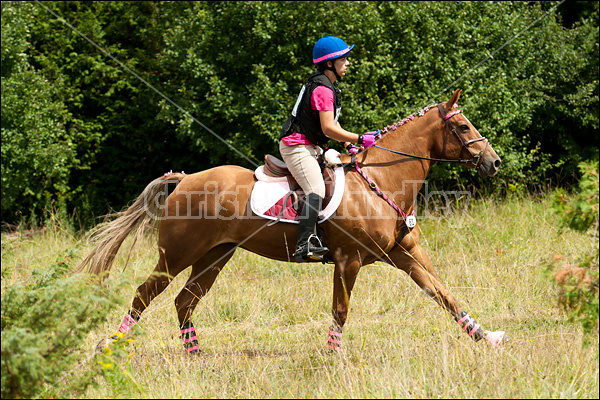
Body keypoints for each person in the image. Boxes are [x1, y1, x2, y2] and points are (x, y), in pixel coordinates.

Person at [279, 35, 377, 262]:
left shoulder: (329, 85)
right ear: (329, 63)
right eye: (344, 59)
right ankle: (304, 244)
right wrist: (360, 138)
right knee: (316, 189)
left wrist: (347, 143)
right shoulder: (323, 89)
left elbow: (333, 125)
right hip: (297, 147)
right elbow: (328, 127)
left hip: (312, 146)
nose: (348, 63)